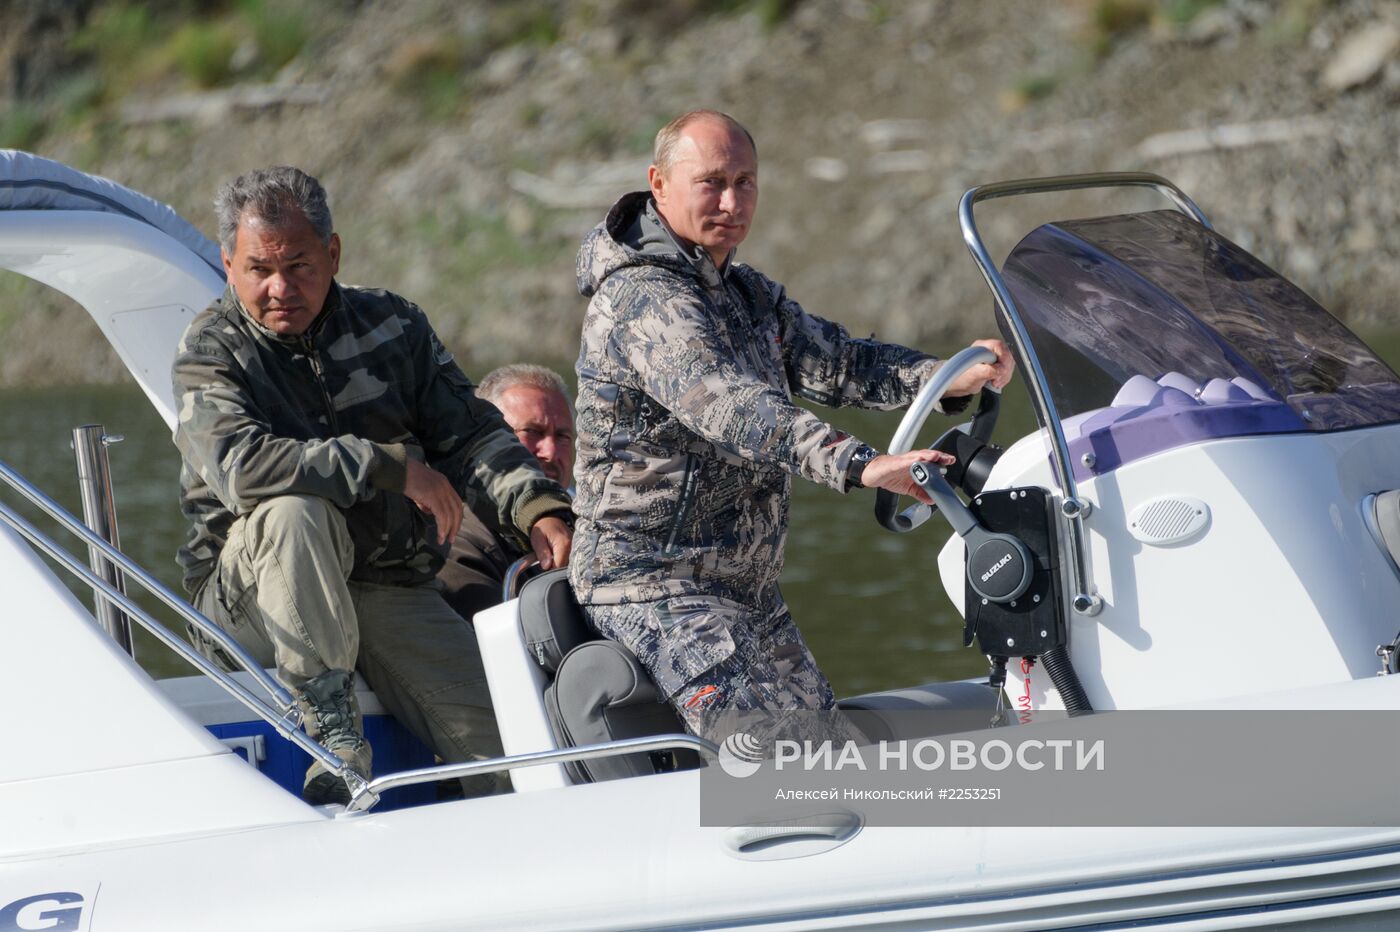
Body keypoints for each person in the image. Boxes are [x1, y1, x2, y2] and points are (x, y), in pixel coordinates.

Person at [570, 110, 1014, 743]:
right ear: (659, 183)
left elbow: (840, 362)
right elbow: (729, 406)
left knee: (835, 753)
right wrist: (860, 465)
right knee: (789, 769)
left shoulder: (744, 293)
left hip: (743, 587)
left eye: (745, 182)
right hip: (653, 587)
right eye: (712, 182)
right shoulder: (644, 298)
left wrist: (944, 378)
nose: (731, 201)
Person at [173, 166, 573, 805]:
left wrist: (540, 508)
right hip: (250, 602)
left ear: (333, 254)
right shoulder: (209, 352)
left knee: (519, 761)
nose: (280, 288)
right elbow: (244, 468)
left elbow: (471, 434)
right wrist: (391, 468)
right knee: (294, 512)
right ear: (228, 264)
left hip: (385, 587)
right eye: (258, 270)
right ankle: (330, 739)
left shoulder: (395, 327)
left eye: (299, 266)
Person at [439, 363, 576, 623]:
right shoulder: (456, 537)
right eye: (532, 432)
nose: (550, 452)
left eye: (562, 436)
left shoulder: (595, 523)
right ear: (489, 440)